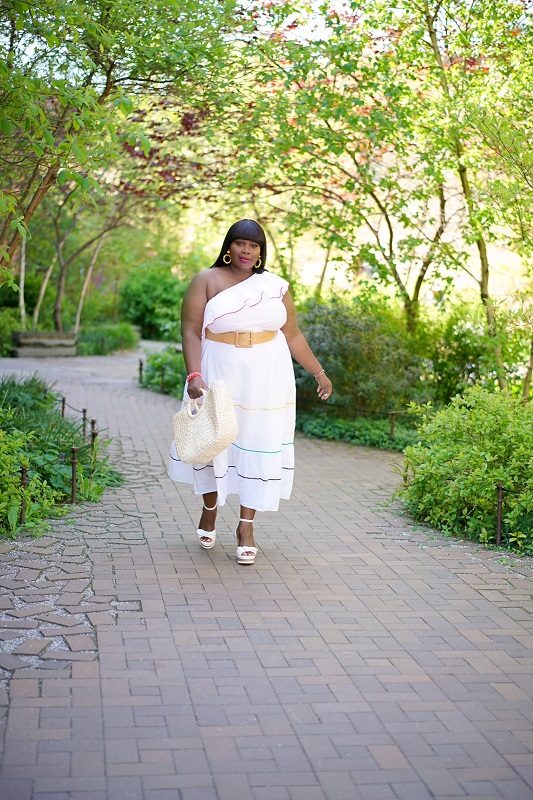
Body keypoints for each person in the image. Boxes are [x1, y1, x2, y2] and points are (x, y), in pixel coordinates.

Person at [168, 219, 332, 565]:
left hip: (266, 374)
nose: (247, 251)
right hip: (219, 369)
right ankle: (209, 508)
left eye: (254, 246)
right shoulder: (206, 280)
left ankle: (246, 528)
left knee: (258, 442)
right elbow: (190, 329)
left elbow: (293, 336)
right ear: (229, 246)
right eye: (241, 243)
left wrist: (319, 373)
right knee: (215, 440)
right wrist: (193, 374)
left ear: (261, 252)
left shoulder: (275, 287)